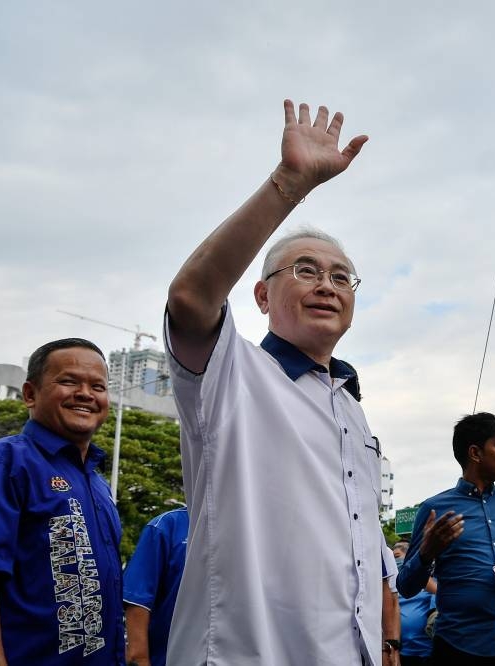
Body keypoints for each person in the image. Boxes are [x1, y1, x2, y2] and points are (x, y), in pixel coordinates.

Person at [164, 99, 397, 665]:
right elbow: (191, 299)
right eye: (307, 271)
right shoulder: (230, 374)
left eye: (342, 277)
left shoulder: (350, 406)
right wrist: (289, 184)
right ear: (263, 295)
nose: (328, 285)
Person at [0, 338, 124, 665]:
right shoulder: (7, 463)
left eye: (98, 386)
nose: (86, 394)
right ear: (29, 394)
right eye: (68, 381)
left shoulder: (98, 484)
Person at [397, 412, 495, 665]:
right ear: (475, 453)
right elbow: (406, 586)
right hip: (459, 647)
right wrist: (427, 552)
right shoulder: (434, 509)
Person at [123, 506, 189, 666]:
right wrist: (139, 658)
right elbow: (138, 600)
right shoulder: (167, 525)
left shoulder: (250, 530)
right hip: (167, 658)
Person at [393, 539, 437, 666]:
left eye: (397, 557)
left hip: (427, 653)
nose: (395, 562)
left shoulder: (433, 581)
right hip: (401, 654)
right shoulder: (391, 584)